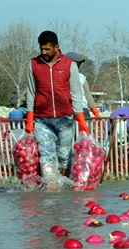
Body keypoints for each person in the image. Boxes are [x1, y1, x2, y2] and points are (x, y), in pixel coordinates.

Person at [25, 30, 88, 181]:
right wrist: (30, 116)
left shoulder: (69, 65)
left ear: (56, 47)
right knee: (46, 153)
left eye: (47, 49)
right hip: (42, 119)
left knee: (63, 155)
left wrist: (80, 118)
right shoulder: (33, 64)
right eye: (41, 48)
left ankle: (63, 186)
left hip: (65, 118)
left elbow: (76, 93)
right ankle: (51, 188)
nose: (44, 52)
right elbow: (31, 92)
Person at [64, 52, 101, 120]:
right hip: (68, 112)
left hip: (83, 110)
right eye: (76, 63)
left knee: (85, 130)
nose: (78, 65)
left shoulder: (81, 78)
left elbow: (88, 95)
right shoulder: (61, 77)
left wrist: (95, 112)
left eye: (79, 64)